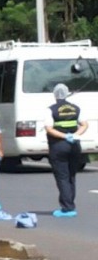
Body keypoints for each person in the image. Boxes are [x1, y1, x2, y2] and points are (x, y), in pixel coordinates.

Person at [44, 83, 87, 217]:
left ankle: (67, 208)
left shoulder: (51, 110)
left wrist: (64, 136)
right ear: (67, 93)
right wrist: (75, 135)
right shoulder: (76, 108)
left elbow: (49, 128)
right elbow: (85, 124)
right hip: (74, 146)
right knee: (71, 176)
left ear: (55, 95)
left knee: (62, 176)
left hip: (59, 146)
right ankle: (70, 204)